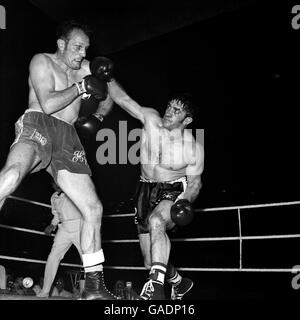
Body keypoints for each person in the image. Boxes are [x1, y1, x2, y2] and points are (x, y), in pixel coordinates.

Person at [0, 20, 116, 300]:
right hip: (40, 122)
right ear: (61, 44)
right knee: (13, 175)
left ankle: (94, 288)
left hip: (68, 137)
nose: (82, 53)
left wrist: (99, 114)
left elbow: (112, 94)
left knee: (93, 208)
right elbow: (49, 103)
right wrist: (80, 87)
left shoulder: (87, 67)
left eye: (86, 48)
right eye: (77, 47)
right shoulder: (41, 61)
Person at [105, 75, 204, 300]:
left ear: (187, 120)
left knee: (157, 221)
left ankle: (154, 290)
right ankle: (178, 282)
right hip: (143, 190)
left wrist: (184, 200)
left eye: (177, 110)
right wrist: (108, 76)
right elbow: (123, 100)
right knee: (150, 261)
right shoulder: (151, 119)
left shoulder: (193, 148)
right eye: (170, 106)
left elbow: (196, 183)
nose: (169, 111)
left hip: (172, 190)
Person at [37, 182, 83, 298]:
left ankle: (91, 291)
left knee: (87, 259)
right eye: (53, 183)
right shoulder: (53, 197)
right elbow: (57, 214)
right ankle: (45, 291)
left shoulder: (73, 190)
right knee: (53, 256)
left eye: (57, 182)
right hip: (64, 229)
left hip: (79, 227)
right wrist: (52, 225)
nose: (55, 185)